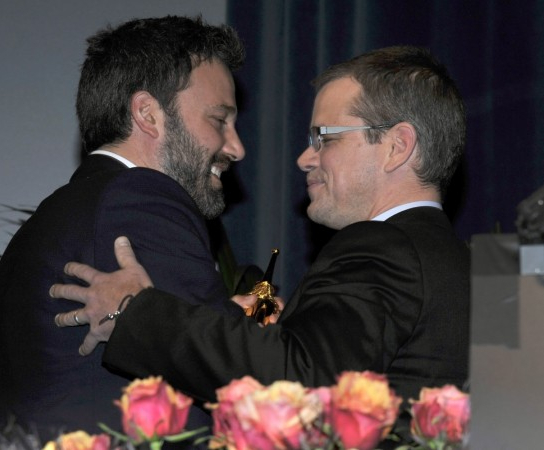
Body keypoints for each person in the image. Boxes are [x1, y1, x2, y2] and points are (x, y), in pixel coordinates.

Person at [50, 46, 470, 443]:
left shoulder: (381, 245)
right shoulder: (461, 265)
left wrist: (135, 311)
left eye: (324, 137)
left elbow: (300, 387)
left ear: (396, 146)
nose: (306, 158)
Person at [0, 15, 247, 445]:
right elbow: (233, 375)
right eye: (219, 120)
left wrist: (231, 317)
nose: (236, 147)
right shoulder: (141, 198)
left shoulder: (61, 213)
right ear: (147, 113)